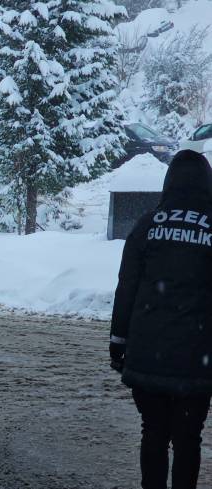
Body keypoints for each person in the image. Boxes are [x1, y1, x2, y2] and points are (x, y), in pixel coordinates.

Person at [110, 150, 212, 489]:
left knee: (153, 432)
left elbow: (127, 288)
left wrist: (118, 342)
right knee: (188, 439)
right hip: (198, 358)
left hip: (147, 351)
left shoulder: (147, 226)